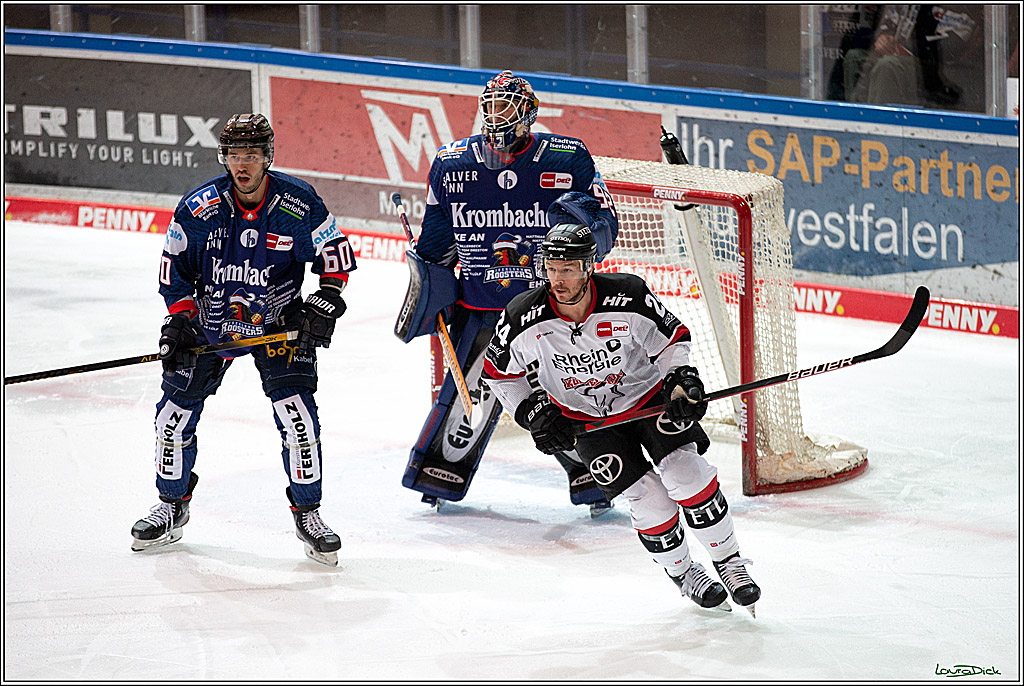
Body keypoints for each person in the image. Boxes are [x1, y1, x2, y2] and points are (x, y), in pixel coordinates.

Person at [482, 223, 761, 614]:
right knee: (650, 502)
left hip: (646, 401)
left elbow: (671, 340)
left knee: (687, 475)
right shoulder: (523, 316)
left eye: (568, 268)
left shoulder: (627, 294)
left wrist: (681, 380)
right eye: (551, 267)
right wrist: (532, 413)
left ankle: (729, 562)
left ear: (589, 266)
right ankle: (684, 574)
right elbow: (498, 375)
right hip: (587, 422)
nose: (557, 279)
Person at [130, 113, 357, 566]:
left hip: (278, 329)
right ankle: (171, 504)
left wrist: (326, 300)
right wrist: (178, 319)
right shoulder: (199, 207)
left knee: (298, 420)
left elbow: (335, 257)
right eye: (234, 154)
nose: (242, 163)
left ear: (268, 156)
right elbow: (173, 269)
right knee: (171, 419)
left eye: (251, 154)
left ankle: (307, 512)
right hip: (211, 326)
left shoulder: (298, 201)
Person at [395, 70, 619, 515]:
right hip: (481, 305)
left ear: (528, 115)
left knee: (569, 389)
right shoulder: (452, 164)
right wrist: (428, 282)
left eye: (506, 106)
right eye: (490, 106)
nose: (496, 116)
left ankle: (595, 481)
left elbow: (604, 225)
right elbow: (436, 242)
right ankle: (439, 476)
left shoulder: (566, 157)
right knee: (468, 395)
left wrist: (585, 220)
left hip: (549, 304)